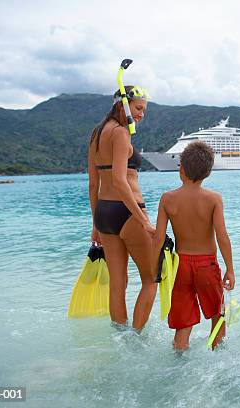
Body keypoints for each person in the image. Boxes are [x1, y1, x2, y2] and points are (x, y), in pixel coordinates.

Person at [152, 140, 235, 350]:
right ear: (208, 173)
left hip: (180, 267)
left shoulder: (167, 199)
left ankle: (179, 358)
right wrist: (230, 270)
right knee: (219, 315)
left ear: (181, 169)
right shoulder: (213, 199)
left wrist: (154, 269)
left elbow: (158, 239)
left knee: (183, 322)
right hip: (207, 265)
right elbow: (222, 236)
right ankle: (218, 358)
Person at [88, 85, 157, 331]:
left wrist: (96, 224)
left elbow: (93, 183)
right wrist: (144, 221)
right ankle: (136, 338)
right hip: (128, 211)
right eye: (138, 108)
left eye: (143, 110)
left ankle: (120, 337)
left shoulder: (97, 133)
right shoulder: (120, 133)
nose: (141, 114)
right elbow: (119, 180)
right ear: (123, 104)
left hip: (105, 213)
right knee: (151, 279)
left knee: (118, 283)